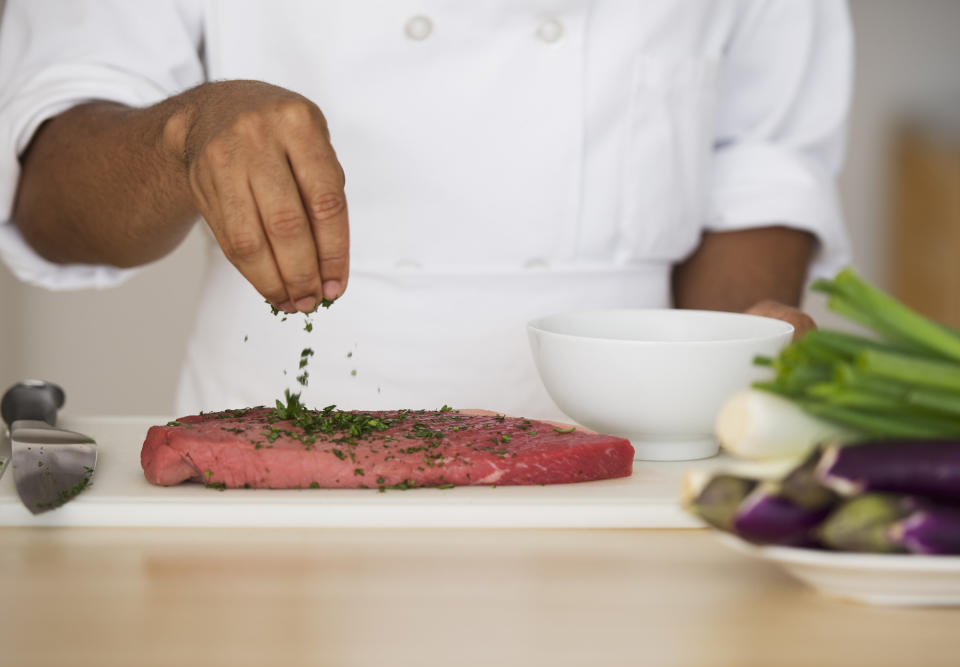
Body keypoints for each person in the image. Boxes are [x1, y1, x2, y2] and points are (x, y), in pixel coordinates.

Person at [0, 1, 851, 419]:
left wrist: (728, 354)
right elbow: (50, 195)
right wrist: (184, 133)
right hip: (274, 442)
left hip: (634, 444)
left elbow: (760, 159)